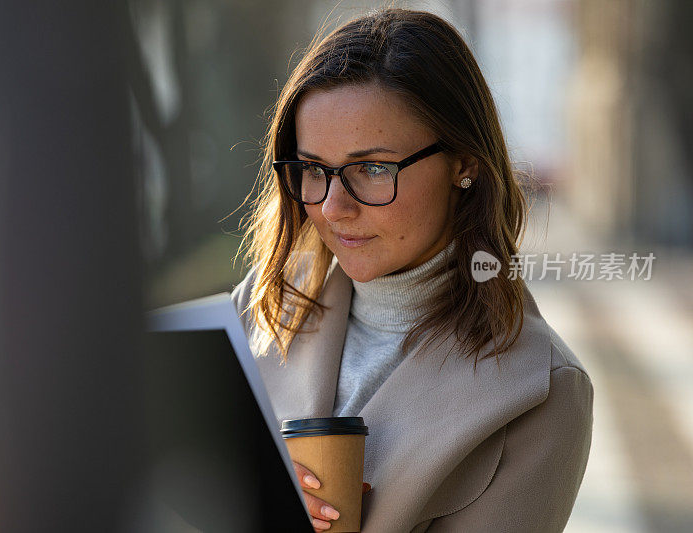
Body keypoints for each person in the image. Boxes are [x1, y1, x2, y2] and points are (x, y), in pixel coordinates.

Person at [231, 8, 593, 533]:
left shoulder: (539, 393)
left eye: (373, 168)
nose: (333, 207)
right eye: (313, 169)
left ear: (464, 164)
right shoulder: (261, 305)